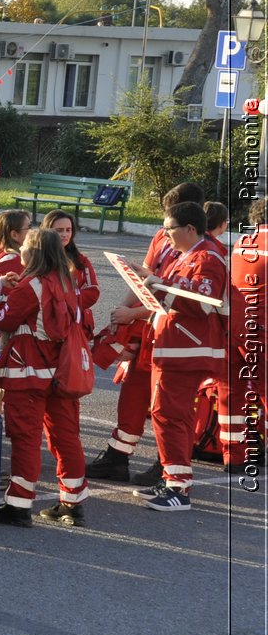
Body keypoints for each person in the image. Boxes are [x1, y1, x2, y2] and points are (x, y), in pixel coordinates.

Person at [86, 182, 206, 484]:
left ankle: (167, 465)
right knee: (133, 391)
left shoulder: (203, 252)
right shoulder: (163, 238)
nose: (164, 230)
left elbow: (174, 299)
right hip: (151, 328)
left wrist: (132, 313)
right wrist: (122, 311)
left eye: (170, 223)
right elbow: (146, 282)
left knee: (169, 408)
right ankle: (118, 455)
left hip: (173, 336)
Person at [0, 228, 90, 526]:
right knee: (66, 437)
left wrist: (5, 293)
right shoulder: (69, 282)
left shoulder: (31, 284)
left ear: (33, 253)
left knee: (26, 438)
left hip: (29, 372)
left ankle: (19, 506)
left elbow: (4, 318)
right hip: (63, 372)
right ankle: (72, 502)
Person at [135, 200, 228, 511]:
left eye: (169, 228)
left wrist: (161, 287)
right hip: (174, 346)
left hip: (186, 349)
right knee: (172, 414)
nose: (165, 234)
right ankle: (173, 479)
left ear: (190, 229)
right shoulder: (185, 255)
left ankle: (178, 488)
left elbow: (204, 303)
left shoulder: (209, 258)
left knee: (168, 414)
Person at [223, 197, 268, 477]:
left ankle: (235, 454)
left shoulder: (242, 243)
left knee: (237, 391)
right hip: (263, 328)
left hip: (238, 327)